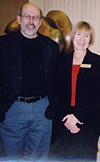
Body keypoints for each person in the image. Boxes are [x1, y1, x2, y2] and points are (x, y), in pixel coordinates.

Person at [0, 3, 59, 159]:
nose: (31, 21)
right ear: (19, 19)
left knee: (39, 158)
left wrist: (52, 107)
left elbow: (56, 81)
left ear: (40, 22)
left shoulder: (51, 46)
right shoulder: (3, 44)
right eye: (27, 16)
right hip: (12, 110)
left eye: (35, 17)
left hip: (42, 111)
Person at [49, 21, 100, 160]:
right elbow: (55, 92)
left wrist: (77, 117)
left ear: (90, 40)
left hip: (86, 122)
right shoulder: (61, 61)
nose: (82, 39)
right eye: (79, 34)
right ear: (73, 36)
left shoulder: (98, 62)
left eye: (86, 36)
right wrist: (67, 117)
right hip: (63, 121)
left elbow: (96, 96)